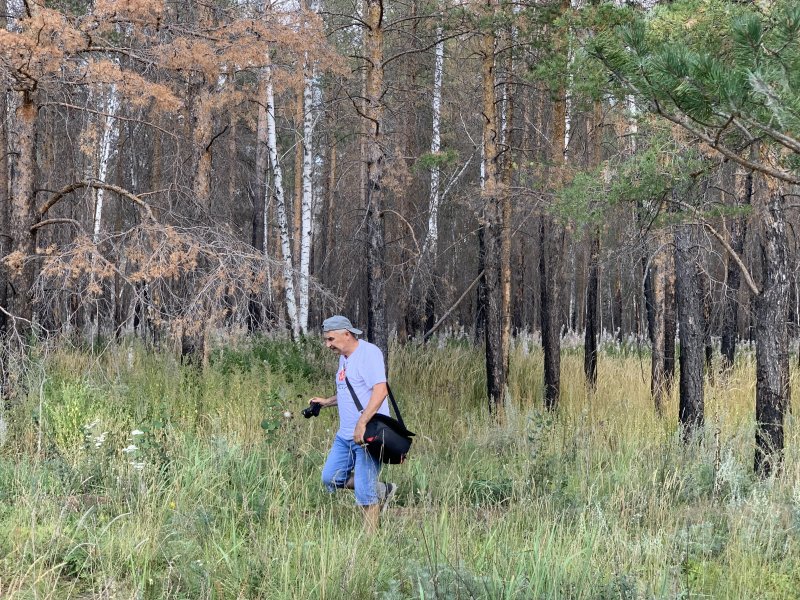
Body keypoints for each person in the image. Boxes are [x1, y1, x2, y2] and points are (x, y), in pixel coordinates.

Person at [309, 315, 396, 531]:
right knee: (331, 478)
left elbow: (380, 390)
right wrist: (326, 402)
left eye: (331, 339)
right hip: (345, 436)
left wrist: (361, 424)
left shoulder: (369, 354)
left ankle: (370, 543)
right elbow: (351, 390)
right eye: (326, 340)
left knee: (365, 494)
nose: (328, 345)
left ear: (346, 334)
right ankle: (382, 490)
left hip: (367, 435)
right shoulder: (344, 357)